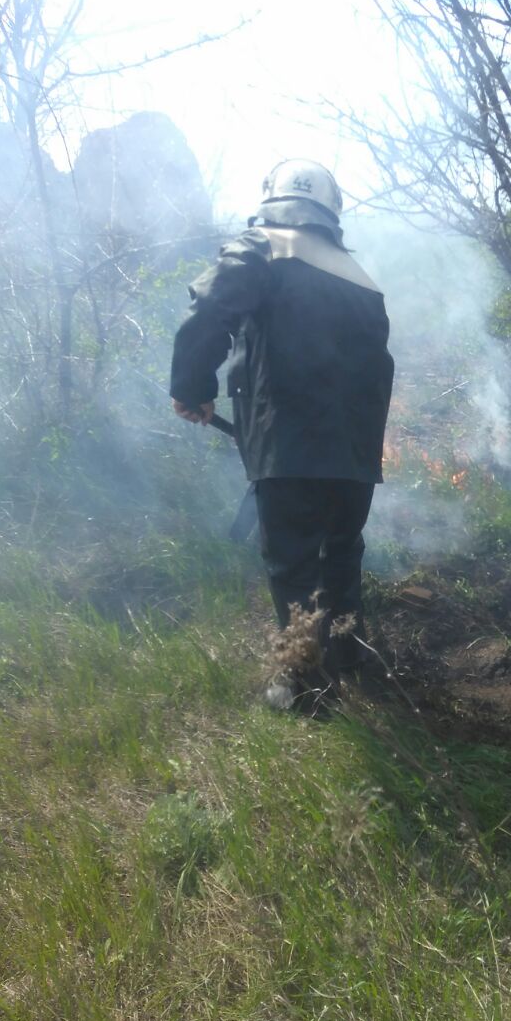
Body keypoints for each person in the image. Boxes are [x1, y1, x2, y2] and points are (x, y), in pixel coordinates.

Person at [169, 159, 394, 707]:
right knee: (342, 555)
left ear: (272, 197)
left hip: (291, 451)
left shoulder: (263, 245)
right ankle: (347, 658)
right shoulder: (361, 279)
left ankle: (302, 688)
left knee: (293, 565)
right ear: (330, 210)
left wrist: (193, 385)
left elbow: (210, 310)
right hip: (354, 458)